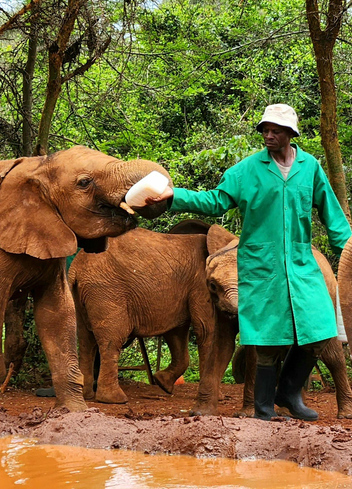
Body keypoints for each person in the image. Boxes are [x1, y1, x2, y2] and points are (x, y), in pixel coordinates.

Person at [148, 104, 351, 421]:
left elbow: (333, 218)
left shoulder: (310, 168)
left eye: (276, 130)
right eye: (265, 130)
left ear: (290, 134)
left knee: (322, 329)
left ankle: (287, 392)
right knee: (266, 340)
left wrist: (349, 252)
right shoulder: (247, 170)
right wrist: (174, 197)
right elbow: (215, 201)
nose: (269, 135)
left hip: (300, 264)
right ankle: (263, 410)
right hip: (260, 266)